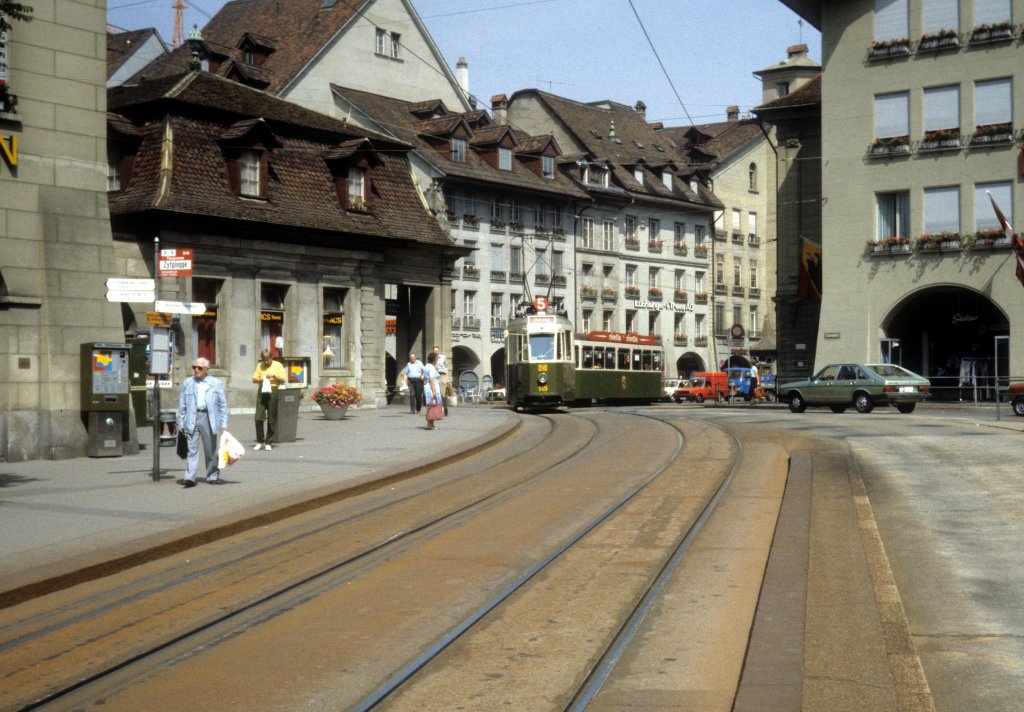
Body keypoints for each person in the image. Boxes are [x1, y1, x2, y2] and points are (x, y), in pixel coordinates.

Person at [177, 357, 229, 487]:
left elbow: (222, 405)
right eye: (194, 367)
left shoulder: (216, 383)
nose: (196, 370)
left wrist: (224, 424)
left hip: (208, 418)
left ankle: (212, 475)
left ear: (206, 369)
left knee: (210, 449)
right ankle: (190, 477)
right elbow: (182, 405)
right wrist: (181, 423)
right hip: (192, 417)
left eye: (199, 368)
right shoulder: (187, 383)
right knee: (191, 449)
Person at [251, 349, 286, 451]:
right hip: (262, 390)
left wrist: (274, 376)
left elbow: (283, 379)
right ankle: (260, 441)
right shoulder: (260, 366)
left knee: (271, 418)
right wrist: (261, 379)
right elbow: (254, 379)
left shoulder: (278, 365)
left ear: (271, 357)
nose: (266, 362)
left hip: (273, 389)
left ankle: (268, 441)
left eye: (267, 360)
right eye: (264, 360)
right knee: (258, 417)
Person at [423, 351, 444, 430]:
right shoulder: (431, 367)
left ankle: (430, 423)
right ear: (433, 360)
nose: (437, 361)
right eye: (436, 359)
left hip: (428, 387)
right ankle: (430, 424)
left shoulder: (426, 366)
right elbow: (431, 379)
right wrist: (434, 391)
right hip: (432, 388)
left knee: (430, 405)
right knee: (432, 406)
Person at [433, 345, 449, 416]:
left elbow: (446, 367)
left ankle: (445, 407)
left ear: (439, 350)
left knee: (442, 394)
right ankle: (438, 409)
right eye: (435, 351)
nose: (436, 352)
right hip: (435, 376)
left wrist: (447, 378)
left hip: (442, 375)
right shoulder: (432, 358)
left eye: (437, 350)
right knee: (436, 393)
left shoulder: (443, 357)